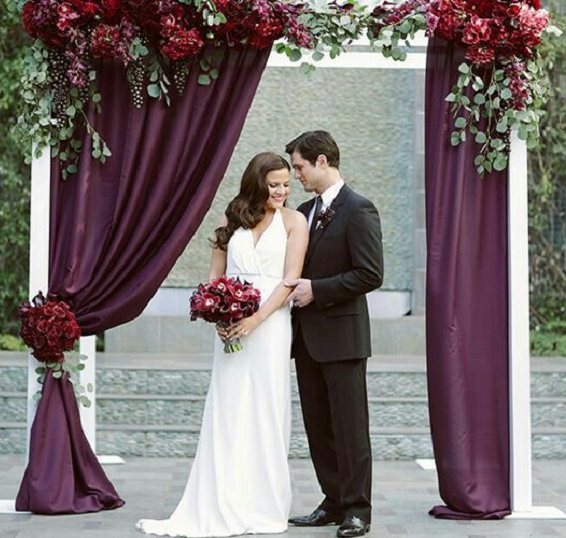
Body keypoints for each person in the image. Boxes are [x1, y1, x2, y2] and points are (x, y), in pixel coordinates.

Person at [136, 152, 309, 537]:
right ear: (255, 183)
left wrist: (255, 319)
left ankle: (262, 505)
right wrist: (221, 315)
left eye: (286, 184)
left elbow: (290, 280)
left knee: (265, 409)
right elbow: (214, 279)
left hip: (271, 325)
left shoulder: (296, 222)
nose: (281, 191)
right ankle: (222, 498)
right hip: (232, 327)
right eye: (274, 184)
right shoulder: (229, 221)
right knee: (229, 410)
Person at [284, 131, 384, 538]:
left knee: (350, 427)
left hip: (343, 340)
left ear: (323, 161)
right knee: (318, 427)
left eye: (300, 167)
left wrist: (317, 290)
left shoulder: (359, 209)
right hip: (306, 339)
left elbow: (370, 273)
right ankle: (333, 501)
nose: (296, 176)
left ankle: (358, 509)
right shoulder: (304, 211)